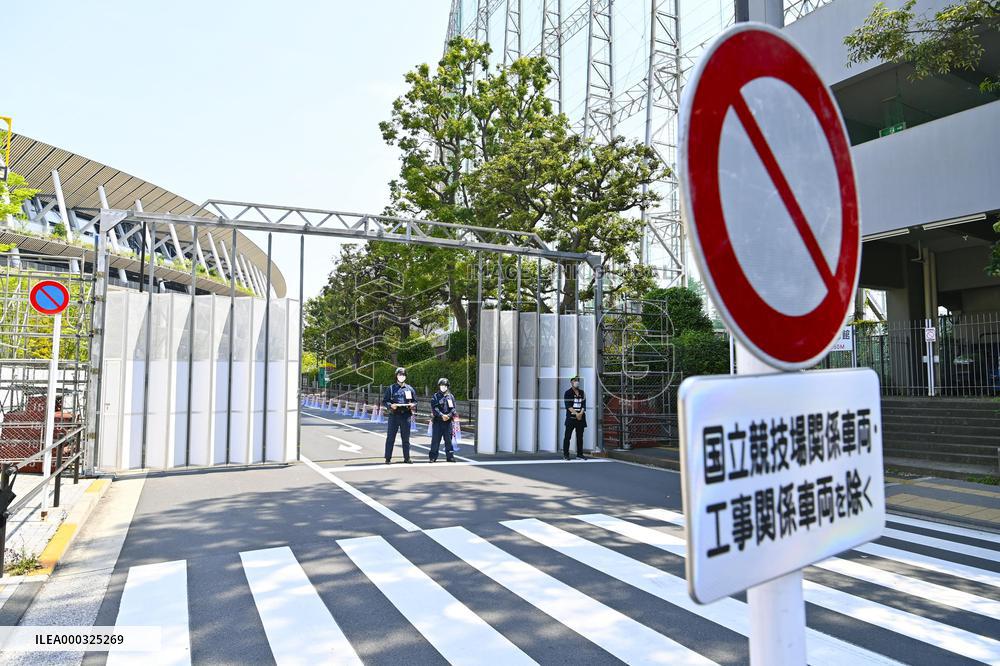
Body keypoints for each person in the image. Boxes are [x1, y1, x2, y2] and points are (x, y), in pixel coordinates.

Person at [382, 366, 416, 464]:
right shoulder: (391, 388)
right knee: (390, 437)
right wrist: (391, 405)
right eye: (400, 375)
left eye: (403, 375)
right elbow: (385, 401)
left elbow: (415, 401)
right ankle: (388, 458)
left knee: (406, 438)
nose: (402, 376)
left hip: (406, 416)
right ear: (396, 376)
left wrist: (412, 405)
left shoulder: (409, 388)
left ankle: (407, 458)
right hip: (394, 416)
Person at [429, 377, 457, 463]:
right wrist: (442, 415)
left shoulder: (450, 396)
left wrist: (448, 416)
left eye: (445, 385)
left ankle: (450, 456)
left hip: (448, 422)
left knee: (448, 440)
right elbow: (435, 408)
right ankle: (433, 457)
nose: (443, 387)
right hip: (438, 422)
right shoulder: (435, 396)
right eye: (441, 385)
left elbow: (453, 409)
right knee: (435, 440)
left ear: (447, 386)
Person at [563, 375, 588, 461]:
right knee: (567, 436)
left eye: (577, 381)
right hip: (571, 418)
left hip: (580, 418)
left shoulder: (582, 392)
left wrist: (580, 413)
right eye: (575, 381)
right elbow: (568, 406)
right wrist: (576, 413)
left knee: (580, 437)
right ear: (571, 382)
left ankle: (580, 454)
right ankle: (566, 454)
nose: (576, 382)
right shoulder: (568, 393)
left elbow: (584, 404)